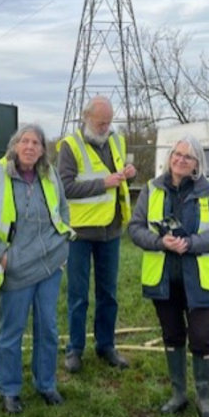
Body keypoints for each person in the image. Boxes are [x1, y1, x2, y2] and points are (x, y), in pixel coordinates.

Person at [127, 135, 209, 417]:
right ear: (169, 156)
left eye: (188, 156)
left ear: (197, 163)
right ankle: (178, 395)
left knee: (201, 338)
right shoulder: (152, 188)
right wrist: (161, 242)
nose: (181, 160)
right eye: (177, 154)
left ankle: (204, 398)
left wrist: (191, 243)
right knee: (172, 336)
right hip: (164, 280)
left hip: (199, 282)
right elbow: (134, 228)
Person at [0, 124, 74, 414]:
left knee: (49, 329)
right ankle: (9, 389)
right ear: (15, 146)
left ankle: (46, 384)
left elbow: (63, 212)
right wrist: (3, 256)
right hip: (15, 268)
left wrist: (62, 246)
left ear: (43, 150)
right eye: (24, 141)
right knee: (11, 331)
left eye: (36, 143)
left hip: (50, 264)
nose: (30, 147)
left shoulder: (50, 175)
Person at [58, 96, 135, 373]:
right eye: (100, 122)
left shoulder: (117, 140)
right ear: (85, 117)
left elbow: (120, 178)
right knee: (78, 295)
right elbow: (64, 187)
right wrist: (103, 184)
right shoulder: (70, 146)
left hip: (111, 229)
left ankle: (106, 345)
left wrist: (129, 174)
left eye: (108, 122)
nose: (105, 127)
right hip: (80, 232)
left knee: (109, 294)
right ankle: (74, 349)